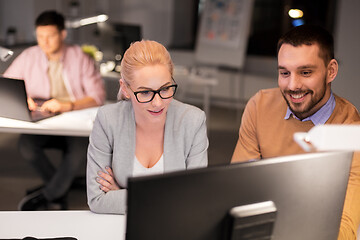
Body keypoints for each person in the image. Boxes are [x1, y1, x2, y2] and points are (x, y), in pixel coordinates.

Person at [231, 24, 360, 239]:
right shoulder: (260, 106)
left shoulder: (351, 130)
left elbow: (344, 224)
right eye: (284, 73)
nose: (293, 85)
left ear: (331, 71)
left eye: (306, 72)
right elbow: (238, 189)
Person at [87, 40, 208, 214]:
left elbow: (195, 198)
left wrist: (124, 195)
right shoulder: (108, 119)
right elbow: (97, 199)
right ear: (126, 89)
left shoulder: (193, 121)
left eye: (165, 89)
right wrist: (168, 198)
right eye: (145, 92)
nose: (158, 103)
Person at [3, 10, 106, 210]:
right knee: (26, 145)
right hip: (44, 119)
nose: (44, 42)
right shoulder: (29, 56)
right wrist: (25, 99)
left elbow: (97, 96)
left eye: (50, 36)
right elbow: (7, 84)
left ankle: (50, 195)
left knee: (77, 149)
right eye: (40, 36)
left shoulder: (80, 57)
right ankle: (59, 187)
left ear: (62, 34)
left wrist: (68, 105)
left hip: (73, 121)